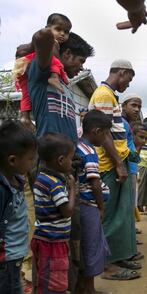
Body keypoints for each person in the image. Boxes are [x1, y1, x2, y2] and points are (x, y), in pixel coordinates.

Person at [88, 59, 141, 280]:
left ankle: (116, 256)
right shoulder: (103, 95)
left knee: (120, 214)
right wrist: (118, 163)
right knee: (109, 216)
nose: (127, 85)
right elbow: (104, 133)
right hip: (108, 163)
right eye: (128, 79)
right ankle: (107, 266)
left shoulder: (109, 95)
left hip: (115, 161)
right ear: (121, 72)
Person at [27, 29, 94, 142]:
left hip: (68, 157)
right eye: (81, 61)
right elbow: (43, 35)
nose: (82, 67)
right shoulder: (44, 75)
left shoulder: (66, 86)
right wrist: (56, 42)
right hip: (50, 156)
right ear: (67, 54)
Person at [31, 133, 76, 294]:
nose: (72, 163)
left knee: (47, 277)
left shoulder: (42, 178)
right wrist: (72, 189)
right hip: (52, 241)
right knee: (53, 281)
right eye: (71, 158)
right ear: (61, 160)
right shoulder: (54, 184)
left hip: (46, 238)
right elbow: (67, 211)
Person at [14, 13, 72, 132]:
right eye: (58, 29)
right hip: (30, 66)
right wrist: (59, 72)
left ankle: (25, 117)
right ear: (47, 28)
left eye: (66, 32)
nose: (62, 34)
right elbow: (54, 60)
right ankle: (54, 77)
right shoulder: (51, 42)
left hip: (23, 68)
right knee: (56, 61)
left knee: (26, 93)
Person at [75, 110, 112, 294]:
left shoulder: (78, 145)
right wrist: (101, 206)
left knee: (85, 247)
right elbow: (95, 183)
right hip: (88, 205)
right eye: (105, 133)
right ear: (97, 131)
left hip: (81, 204)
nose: (106, 138)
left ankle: (84, 287)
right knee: (91, 248)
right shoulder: (89, 151)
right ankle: (88, 289)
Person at [0, 121, 37, 294]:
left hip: (14, 257)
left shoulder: (17, 180)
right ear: (13, 160)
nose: (32, 163)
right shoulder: (2, 189)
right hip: (5, 261)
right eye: (30, 159)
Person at [119, 93, 142, 221]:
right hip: (127, 169)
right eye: (133, 105)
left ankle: (130, 233)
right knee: (127, 204)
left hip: (131, 169)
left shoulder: (127, 124)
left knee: (130, 203)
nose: (137, 109)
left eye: (139, 106)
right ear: (123, 106)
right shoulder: (122, 123)